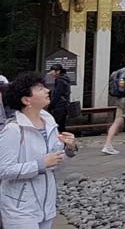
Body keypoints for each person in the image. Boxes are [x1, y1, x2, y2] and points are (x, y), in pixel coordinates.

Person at [0, 72, 77, 229]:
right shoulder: (13, 130)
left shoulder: (50, 123)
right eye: (40, 88)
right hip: (19, 208)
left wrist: (69, 149)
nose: (47, 91)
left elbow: (55, 163)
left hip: (46, 206)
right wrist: (40, 164)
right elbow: (4, 170)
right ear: (26, 100)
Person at [47, 64, 71, 132]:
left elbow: (57, 94)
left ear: (58, 71)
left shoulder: (60, 80)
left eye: (52, 71)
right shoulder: (64, 79)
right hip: (64, 105)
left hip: (59, 106)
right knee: (61, 125)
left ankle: (60, 141)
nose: (50, 72)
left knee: (58, 125)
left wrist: (51, 105)